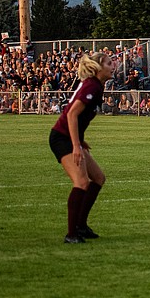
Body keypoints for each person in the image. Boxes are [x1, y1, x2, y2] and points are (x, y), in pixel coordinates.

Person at [48, 51, 113, 244]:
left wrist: (80, 141)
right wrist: (76, 145)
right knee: (82, 182)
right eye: (109, 63)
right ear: (98, 68)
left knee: (98, 178)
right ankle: (71, 234)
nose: (112, 66)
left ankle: (81, 226)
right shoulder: (92, 85)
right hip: (62, 138)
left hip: (71, 137)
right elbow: (71, 115)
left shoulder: (96, 85)